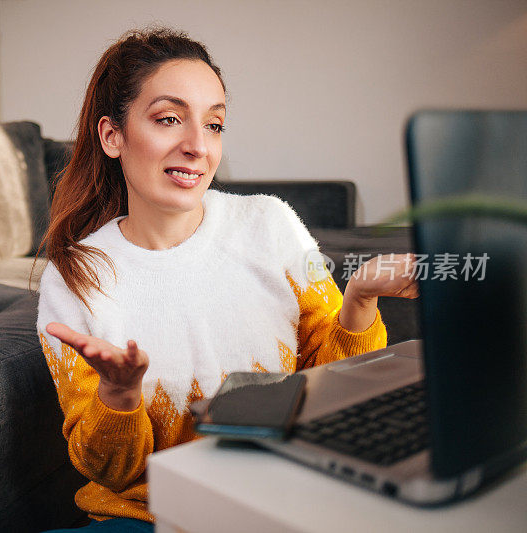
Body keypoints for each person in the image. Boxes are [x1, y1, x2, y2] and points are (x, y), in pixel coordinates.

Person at [35, 27, 417, 532]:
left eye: (214, 125)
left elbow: (332, 393)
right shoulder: (76, 276)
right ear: (112, 136)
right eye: (169, 119)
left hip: (285, 500)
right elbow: (112, 471)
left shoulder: (271, 224)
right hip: (148, 518)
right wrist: (119, 395)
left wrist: (360, 300)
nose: (197, 145)